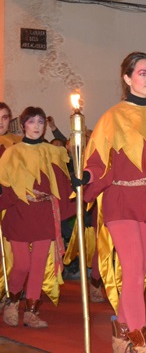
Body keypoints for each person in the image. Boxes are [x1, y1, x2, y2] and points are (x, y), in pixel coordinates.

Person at [77, 52, 146, 352]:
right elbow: (98, 161)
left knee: (137, 273)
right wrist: (86, 177)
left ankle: (121, 331)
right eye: (142, 73)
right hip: (120, 200)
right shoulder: (112, 117)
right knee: (130, 267)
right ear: (127, 79)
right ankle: (141, 340)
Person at [0, 106, 75, 329]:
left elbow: (63, 184)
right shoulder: (12, 153)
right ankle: (12, 302)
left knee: (39, 265)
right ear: (23, 125)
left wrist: (77, 188)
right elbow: (5, 184)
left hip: (44, 214)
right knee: (22, 264)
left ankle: (31, 311)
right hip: (20, 213)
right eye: (32, 122)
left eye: (40, 122)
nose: (36, 127)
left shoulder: (53, 151)